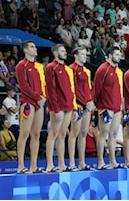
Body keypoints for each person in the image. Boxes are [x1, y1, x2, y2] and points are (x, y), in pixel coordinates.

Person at [45, 44, 77, 173]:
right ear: (55, 53)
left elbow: (71, 89)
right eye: (62, 51)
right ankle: (49, 164)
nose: (65, 53)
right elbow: (51, 90)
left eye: (65, 51)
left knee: (62, 135)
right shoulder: (51, 68)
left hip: (68, 105)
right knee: (53, 133)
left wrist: (74, 108)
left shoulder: (67, 69)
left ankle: (62, 163)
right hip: (58, 107)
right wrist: (56, 109)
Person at [16, 40, 47, 173]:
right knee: (24, 133)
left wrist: (44, 97)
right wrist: (38, 97)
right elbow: (23, 86)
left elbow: (43, 83)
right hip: (28, 102)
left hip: (39, 102)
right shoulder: (21, 65)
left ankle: (33, 165)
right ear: (25, 50)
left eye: (35, 46)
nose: (35, 49)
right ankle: (21, 166)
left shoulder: (39, 66)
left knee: (36, 134)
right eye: (32, 47)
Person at [93, 46, 124, 170]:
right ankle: (100, 161)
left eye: (120, 55)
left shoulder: (119, 71)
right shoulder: (102, 69)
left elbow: (120, 90)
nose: (119, 57)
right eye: (116, 54)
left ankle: (112, 161)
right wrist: (98, 105)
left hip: (116, 106)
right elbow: (96, 88)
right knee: (103, 133)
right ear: (110, 55)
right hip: (106, 106)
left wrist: (121, 106)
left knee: (114, 134)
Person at [68, 47, 96, 171]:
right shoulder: (72, 69)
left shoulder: (86, 70)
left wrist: (91, 101)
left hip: (86, 105)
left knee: (84, 133)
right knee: (74, 133)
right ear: (76, 55)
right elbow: (72, 89)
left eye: (86, 54)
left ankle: (82, 162)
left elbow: (89, 88)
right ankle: (72, 162)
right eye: (82, 54)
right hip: (78, 105)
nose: (85, 56)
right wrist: (84, 102)